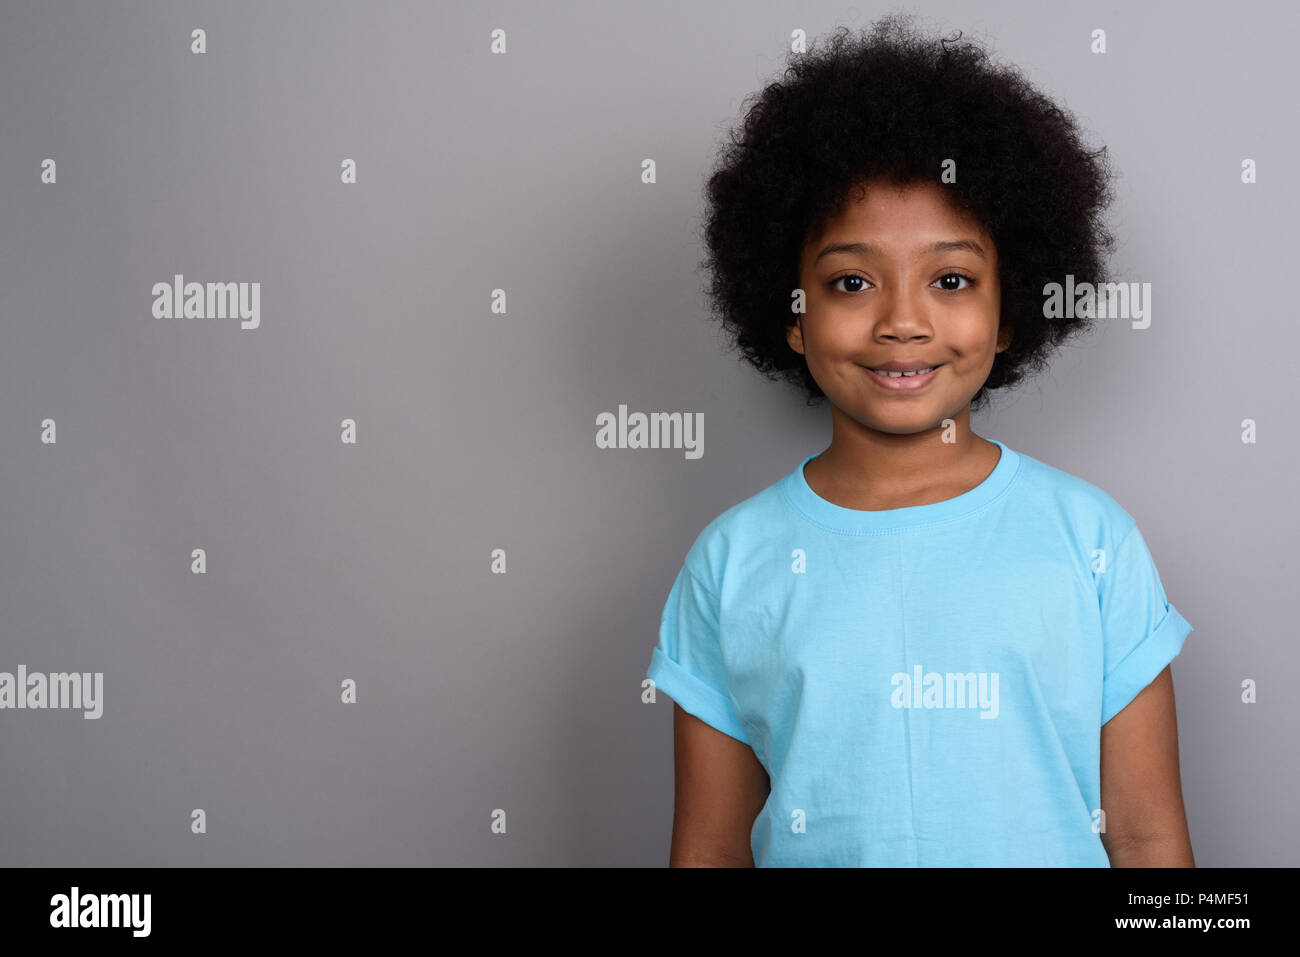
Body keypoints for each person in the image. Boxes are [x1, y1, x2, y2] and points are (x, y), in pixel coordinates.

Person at [645, 14, 1195, 867]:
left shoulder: (1092, 541)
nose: (903, 321)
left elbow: (1149, 838)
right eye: (851, 281)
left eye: (951, 279)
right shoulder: (730, 562)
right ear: (790, 315)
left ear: (1010, 312)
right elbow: (709, 849)